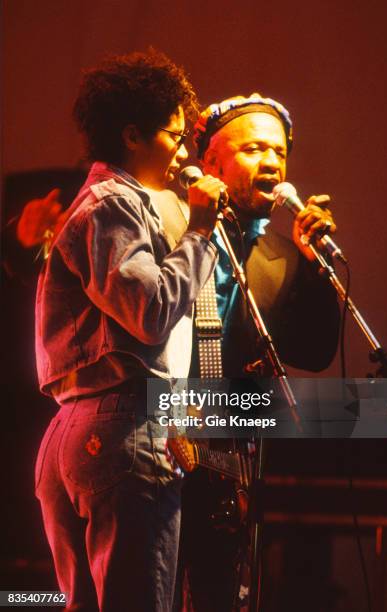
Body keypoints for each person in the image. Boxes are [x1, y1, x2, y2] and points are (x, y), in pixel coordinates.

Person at [34, 50, 228, 612]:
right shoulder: (113, 203)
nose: (184, 151)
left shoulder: (99, 204)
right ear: (132, 135)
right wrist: (201, 230)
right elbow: (148, 309)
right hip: (122, 427)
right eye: (173, 134)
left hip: (79, 428)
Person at [176, 94, 341, 611]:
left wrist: (315, 268)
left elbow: (312, 354)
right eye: (252, 149)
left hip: (226, 471)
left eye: (279, 152)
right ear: (211, 163)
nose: (271, 161)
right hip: (155, 449)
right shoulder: (171, 225)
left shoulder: (279, 257)